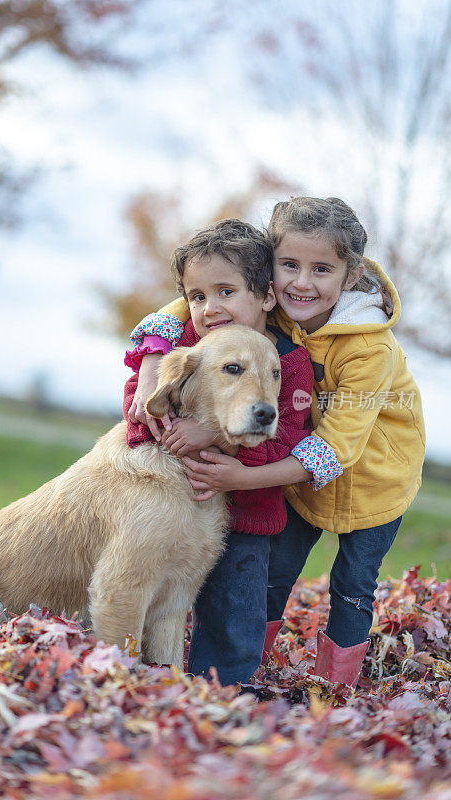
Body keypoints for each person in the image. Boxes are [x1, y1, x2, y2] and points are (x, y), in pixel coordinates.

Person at [127, 197, 425, 687]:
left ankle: (337, 690)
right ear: (269, 277)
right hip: (296, 476)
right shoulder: (278, 308)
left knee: (353, 586)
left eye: (322, 269)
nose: (302, 282)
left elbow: (335, 450)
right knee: (271, 574)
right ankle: (245, 673)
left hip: (374, 480)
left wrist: (243, 475)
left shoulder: (368, 348)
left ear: (351, 276)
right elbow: (190, 297)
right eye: (290, 265)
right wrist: (152, 365)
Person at [123, 218, 315, 685]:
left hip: (248, 515)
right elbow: (138, 408)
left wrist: (211, 437)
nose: (211, 308)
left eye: (226, 292)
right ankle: (153, 686)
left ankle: (223, 699)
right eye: (199, 297)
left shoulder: (288, 363)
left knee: (235, 616)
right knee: (159, 603)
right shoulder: (187, 345)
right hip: (179, 506)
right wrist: (154, 407)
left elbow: (288, 437)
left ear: (267, 296)